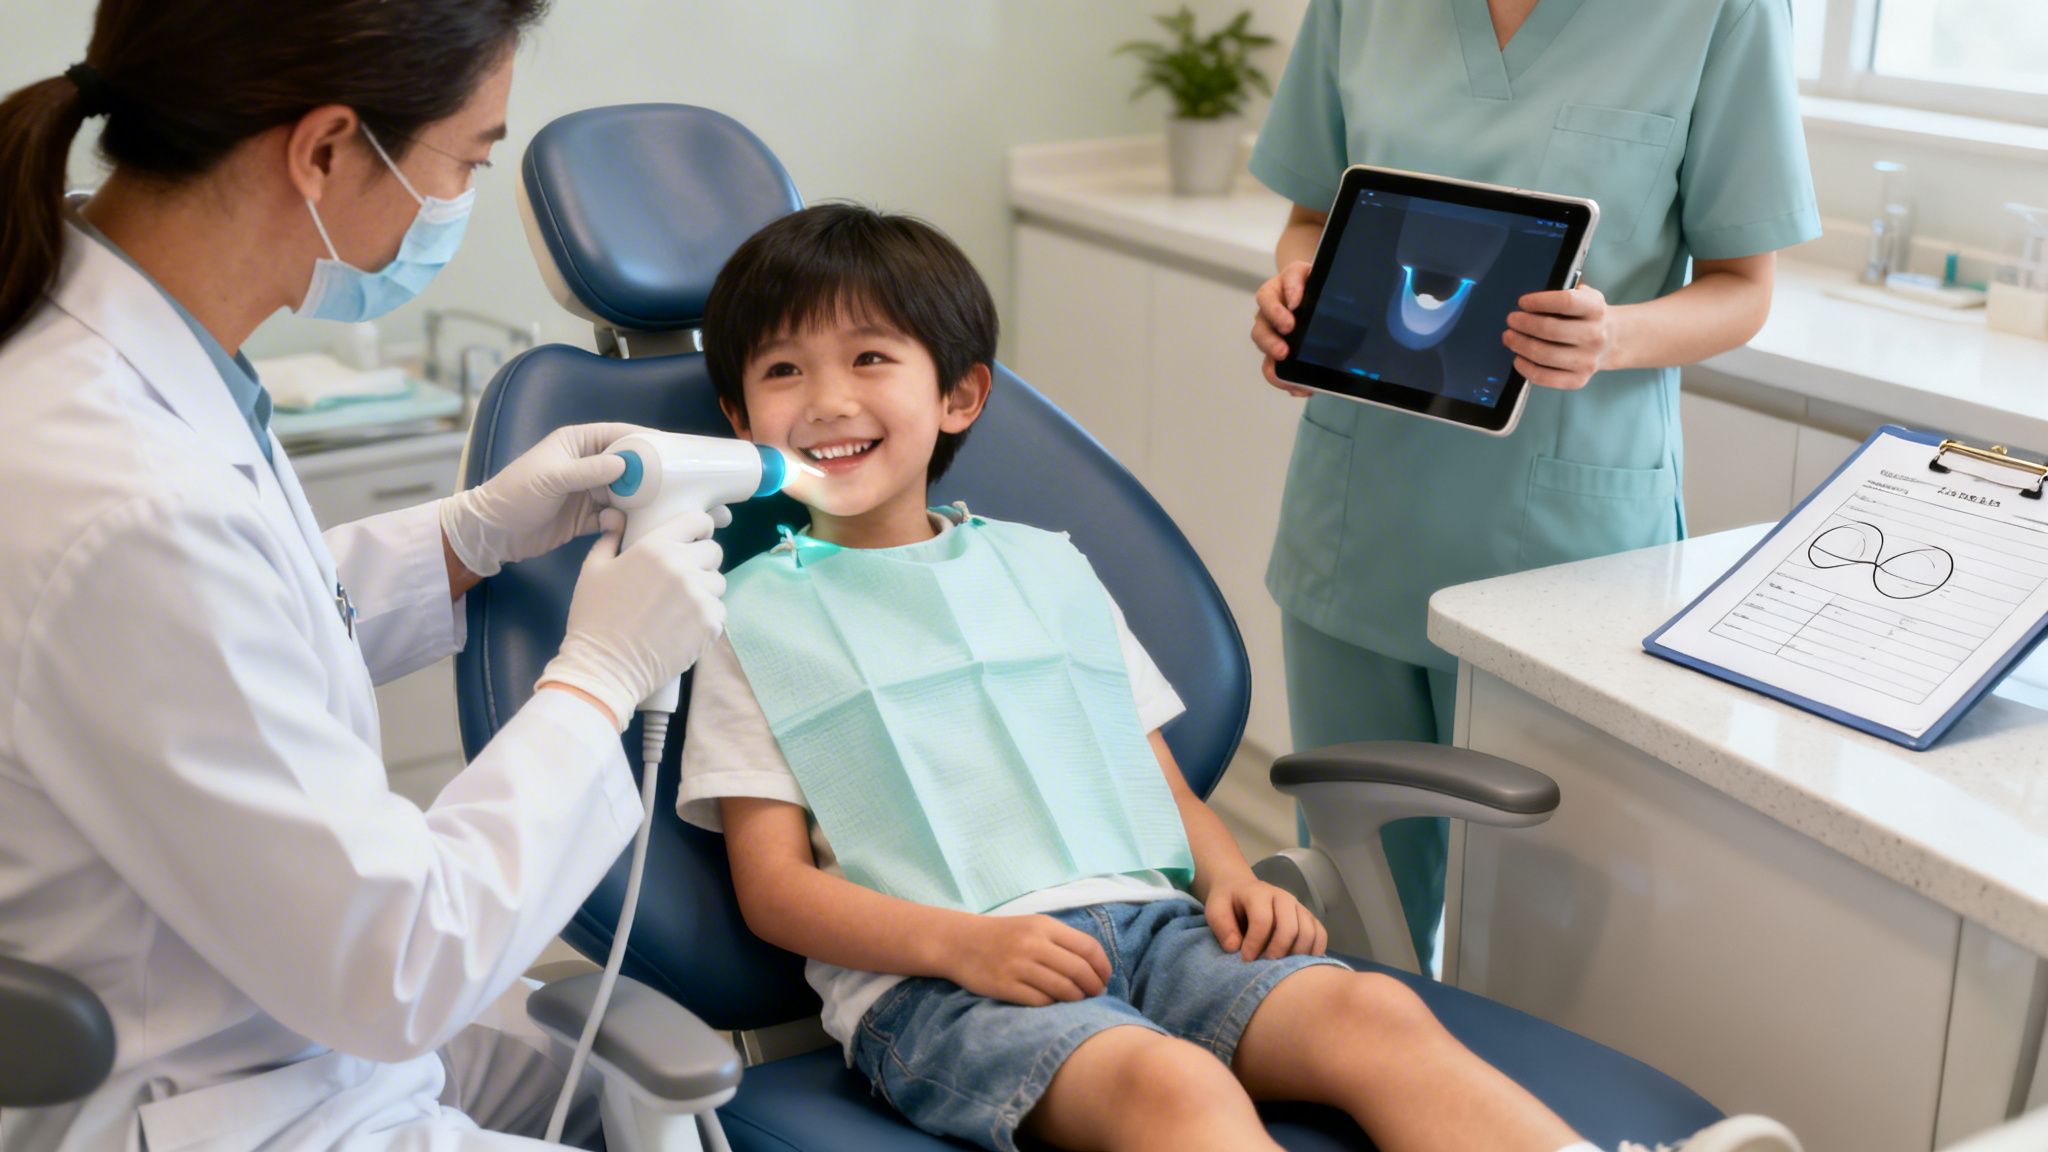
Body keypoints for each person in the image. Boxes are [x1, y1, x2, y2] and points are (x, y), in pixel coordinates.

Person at [677, 203, 1799, 1152]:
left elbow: (1141, 762)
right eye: (782, 372)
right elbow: (774, 891)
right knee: (1171, 1088)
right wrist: (964, 944)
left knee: (1370, 1012)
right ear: (740, 421)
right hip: (938, 985)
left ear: (960, 396)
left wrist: (1224, 875)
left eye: (869, 358)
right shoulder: (749, 618)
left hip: (1151, 926)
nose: (825, 400)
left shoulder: (1039, 565)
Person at [0, 2, 729, 1147]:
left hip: (277, 1026)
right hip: (226, 1093)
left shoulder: (119, 345)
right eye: (467, 158)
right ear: (328, 149)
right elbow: (400, 962)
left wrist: (467, 538)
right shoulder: (126, 496)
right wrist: (599, 677)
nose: (457, 200)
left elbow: (224, 637)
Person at [1246, 0, 1822, 968]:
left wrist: (1614, 336)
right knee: (1356, 915)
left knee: (1543, 934)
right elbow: (1312, 215)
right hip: (1358, 515)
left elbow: (1742, 286)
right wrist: (1298, 294)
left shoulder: (1719, 13)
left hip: (1564, 543)